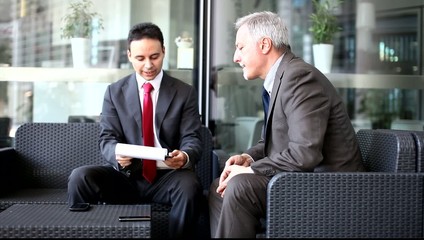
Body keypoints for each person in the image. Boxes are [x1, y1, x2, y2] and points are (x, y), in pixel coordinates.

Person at [208, 11, 365, 238]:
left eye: (240, 47)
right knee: (219, 188)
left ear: (264, 45)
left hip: (330, 189)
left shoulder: (299, 78)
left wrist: (249, 170)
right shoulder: (280, 78)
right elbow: (272, 142)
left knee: (238, 186)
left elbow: (304, 153)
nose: (235, 57)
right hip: (301, 180)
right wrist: (248, 158)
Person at [67, 22, 203, 239]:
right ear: (129, 55)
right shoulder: (114, 92)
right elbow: (107, 137)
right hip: (126, 176)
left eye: (155, 57)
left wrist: (185, 156)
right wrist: (116, 155)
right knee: (80, 177)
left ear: (164, 52)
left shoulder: (184, 92)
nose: (148, 65)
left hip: (167, 176)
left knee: (190, 186)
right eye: (140, 58)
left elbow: (192, 137)